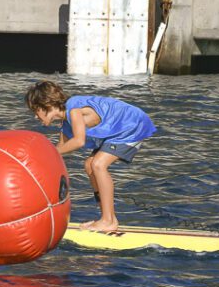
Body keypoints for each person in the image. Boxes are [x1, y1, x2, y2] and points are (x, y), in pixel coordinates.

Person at [25, 80, 156, 234]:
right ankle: (107, 218)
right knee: (89, 165)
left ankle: (108, 221)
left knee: (98, 165)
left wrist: (51, 152)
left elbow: (78, 141)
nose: (36, 116)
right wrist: (37, 163)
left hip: (132, 124)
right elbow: (59, 149)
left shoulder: (74, 109)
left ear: (46, 104)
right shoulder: (66, 123)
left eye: (35, 110)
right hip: (116, 131)